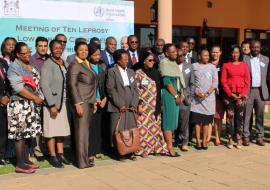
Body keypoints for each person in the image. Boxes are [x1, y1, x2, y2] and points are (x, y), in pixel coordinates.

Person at [7, 42, 43, 173]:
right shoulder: (14, 67)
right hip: (19, 105)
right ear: (17, 54)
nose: (28, 54)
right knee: (19, 135)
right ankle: (20, 164)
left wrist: (38, 97)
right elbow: (18, 88)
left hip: (29, 105)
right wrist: (35, 98)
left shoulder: (28, 64)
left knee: (27, 133)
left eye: (29, 51)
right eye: (25, 53)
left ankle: (26, 160)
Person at [40, 40, 71, 168]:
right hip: (52, 104)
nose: (58, 50)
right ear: (51, 50)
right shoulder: (48, 64)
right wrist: (51, 105)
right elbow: (44, 85)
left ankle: (61, 154)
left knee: (61, 131)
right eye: (55, 48)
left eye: (60, 48)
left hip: (63, 102)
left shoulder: (64, 63)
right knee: (51, 131)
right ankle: (53, 156)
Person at [67, 41, 97, 169]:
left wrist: (94, 102)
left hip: (89, 102)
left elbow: (90, 85)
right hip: (82, 102)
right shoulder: (75, 65)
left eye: (86, 50)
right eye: (81, 50)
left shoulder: (87, 63)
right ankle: (81, 162)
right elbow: (71, 85)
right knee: (81, 133)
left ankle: (84, 158)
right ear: (76, 51)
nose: (84, 52)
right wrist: (77, 103)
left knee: (85, 133)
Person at [106, 49, 139, 161]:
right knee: (118, 130)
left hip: (130, 107)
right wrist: (120, 104)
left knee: (130, 129)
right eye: (124, 59)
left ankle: (130, 150)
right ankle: (120, 152)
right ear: (118, 61)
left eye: (127, 58)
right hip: (118, 106)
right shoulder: (112, 71)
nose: (127, 61)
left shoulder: (131, 71)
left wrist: (134, 103)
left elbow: (135, 89)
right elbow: (110, 89)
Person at [135, 51, 168, 157]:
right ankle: (142, 150)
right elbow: (137, 90)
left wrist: (160, 105)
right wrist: (139, 104)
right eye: (150, 60)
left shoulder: (156, 72)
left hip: (155, 105)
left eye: (154, 60)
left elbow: (159, 90)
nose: (152, 62)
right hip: (144, 106)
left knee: (155, 128)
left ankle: (156, 148)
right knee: (143, 129)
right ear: (144, 61)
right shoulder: (138, 73)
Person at [221, 45, 250, 149]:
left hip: (241, 96)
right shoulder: (226, 65)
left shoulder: (244, 65)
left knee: (240, 118)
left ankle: (238, 138)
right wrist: (230, 94)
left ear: (240, 53)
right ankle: (229, 138)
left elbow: (247, 81)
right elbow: (223, 81)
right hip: (229, 96)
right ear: (230, 54)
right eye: (233, 52)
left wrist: (242, 94)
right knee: (229, 117)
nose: (235, 54)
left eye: (237, 52)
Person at [159, 43, 185, 157]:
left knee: (174, 121)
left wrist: (182, 94)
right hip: (169, 96)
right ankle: (169, 147)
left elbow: (179, 80)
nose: (176, 53)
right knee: (168, 122)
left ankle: (169, 144)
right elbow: (167, 83)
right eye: (173, 51)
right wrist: (176, 96)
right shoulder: (164, 63)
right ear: (166, 53)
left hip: (177, 95)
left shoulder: (173, 63)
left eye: (176, 51)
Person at [190, 49, 218, 150]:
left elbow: (215, 83)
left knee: (206, 122)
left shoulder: (212, 67)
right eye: (204, 55)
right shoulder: (194, 66)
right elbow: (191, 81)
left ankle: (204, 141)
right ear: (199, 56)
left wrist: (206, 94)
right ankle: (197, 141)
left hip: (208, 99)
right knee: (197, 121)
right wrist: (196, 92)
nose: (207, 57)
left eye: (207, 55)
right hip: (196, 99)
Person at [243, 40, 269, 146]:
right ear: (250, 47)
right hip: (249, 91)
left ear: (260, 47)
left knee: (260, 115)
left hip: (261, 91)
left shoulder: (266, 59)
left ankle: (259, 137)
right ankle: (246, 137)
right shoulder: (245, 58)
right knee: (247, 115)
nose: (256, 49)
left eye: (257, 47)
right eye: (253, 47)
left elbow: (268, 77)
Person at [88, 44, 107, 161]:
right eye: (94, 55)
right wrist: (94, 99)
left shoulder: (102, 66)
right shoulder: (86, 66)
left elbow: (105, 84)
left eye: (99, 54)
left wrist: (105, 98)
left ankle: (97, 150)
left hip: (102, 101)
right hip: (90, 101)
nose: (97, 57)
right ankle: (90, 151)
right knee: (90, 127)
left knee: (99, 127)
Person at [175, 49, 194, 151]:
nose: (180, 57)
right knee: (174, 119)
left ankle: (184, 141)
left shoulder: (189, 67)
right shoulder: (171, 66)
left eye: (182, 55)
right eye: (178, 55)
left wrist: (189, 96)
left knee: (184, 121)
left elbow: (192, 83)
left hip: (185, 98)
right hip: (173, 96)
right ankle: (175, 139)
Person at [207, 45, 224, 146]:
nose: (215, 54)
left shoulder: (223, 64)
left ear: (220, 53)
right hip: (209, 94)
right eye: (213, 52)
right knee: (209, 117)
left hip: (220, 94)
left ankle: (217, 137)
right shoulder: (207, 64)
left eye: (217, 52)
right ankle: (208, 136)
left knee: (218, 117)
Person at [0, 58, 9, 165]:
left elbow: (8, 81)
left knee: (3, 131)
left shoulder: (3, 62)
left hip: (5, 101)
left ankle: (2, 155)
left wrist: (7, 96)